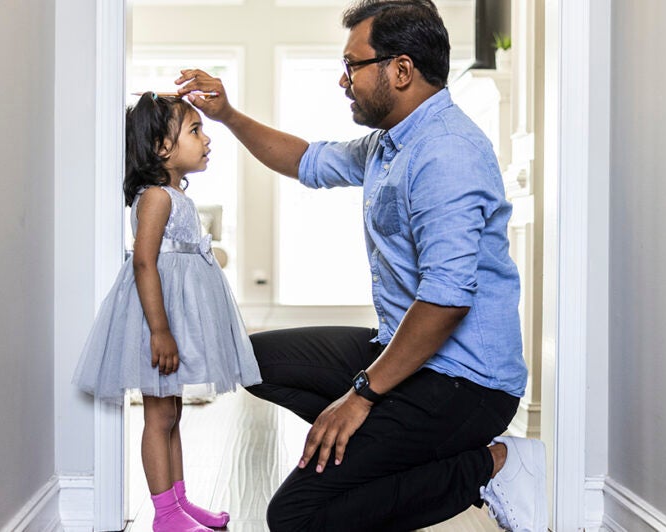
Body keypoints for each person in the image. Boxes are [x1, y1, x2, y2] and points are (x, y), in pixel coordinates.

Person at [173, 0, 547, 530]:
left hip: (467, 383)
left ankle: (491, 465)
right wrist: (227, 115)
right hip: (407, 354)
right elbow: (304, 159)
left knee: (296, 516)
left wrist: (361, 396)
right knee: (248, 359)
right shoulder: (389, 144)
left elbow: (446, 301)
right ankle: (388, 446)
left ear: (400, 70)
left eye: (353, 65)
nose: (343, 80)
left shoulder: (448, 153)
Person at [72, 92, 261, 532]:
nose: (206, 138)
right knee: (159, 417)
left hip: (172, 317)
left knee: (171, 413)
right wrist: (160, 331)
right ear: (161, 147)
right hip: (157, 321)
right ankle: (165, 514)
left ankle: (179, 501)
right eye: (195, 130)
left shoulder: (176, 196)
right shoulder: (156, 197)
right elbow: (144, 262)